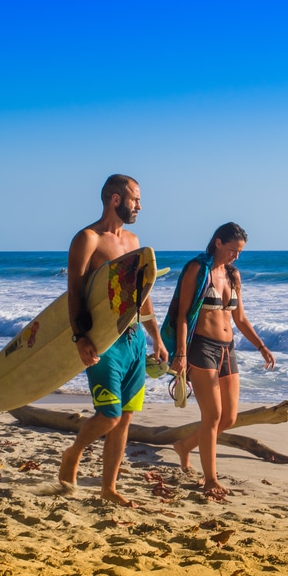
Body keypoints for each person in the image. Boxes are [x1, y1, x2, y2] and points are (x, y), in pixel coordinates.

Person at [57, 174, 168, 506]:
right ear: (116, 199)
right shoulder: (87, 240)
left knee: (126, 419)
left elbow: (141, 296)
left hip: (133, 339)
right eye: (135, 198)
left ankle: (109, 487)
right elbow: (74, 293)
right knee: (110, 415)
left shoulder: (134, 242)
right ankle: (72, 454)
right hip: (104, 341)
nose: (140, 205)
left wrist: (156, 338)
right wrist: (80, 337)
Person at [163, 222, 275, 500]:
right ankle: (210, 478)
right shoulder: (197, 270)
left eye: (239, 252)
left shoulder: (233, 275)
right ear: (217, 243)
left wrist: (261, 346)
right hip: (202, 348)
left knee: (229, 417)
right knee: (211, 416)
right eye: (232, 250)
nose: (235, 256)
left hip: (228, 349)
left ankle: (184, 446)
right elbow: (183, 315)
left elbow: (240, 318)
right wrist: (181, 353)